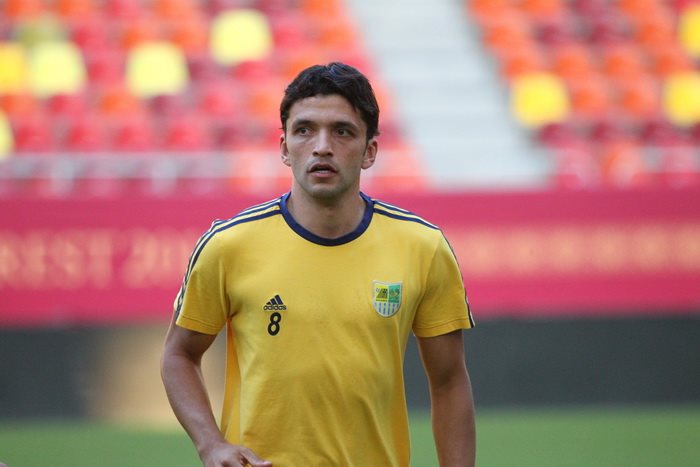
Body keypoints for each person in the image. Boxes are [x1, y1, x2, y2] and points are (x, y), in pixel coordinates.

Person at [161, 62, 476, 467]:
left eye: (342, 131)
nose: (322, 146)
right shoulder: (228, 245)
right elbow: (179, 355)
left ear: (370, 151)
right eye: (305, 130)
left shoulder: (423, 247)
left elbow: (449, 382)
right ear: (284, 147)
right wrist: (210, 444)